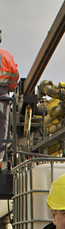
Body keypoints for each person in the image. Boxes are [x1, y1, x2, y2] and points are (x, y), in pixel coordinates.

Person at [0, 30, 19, 161]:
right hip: (3, 95)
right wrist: (10, 87)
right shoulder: (7, 55)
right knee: (2, 127)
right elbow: (14, 77)